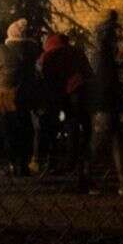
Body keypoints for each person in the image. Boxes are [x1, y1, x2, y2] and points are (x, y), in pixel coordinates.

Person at [85, 10, 123, 195]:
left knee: (113, 143)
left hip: (105, 105)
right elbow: (104, 83)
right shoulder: (104, 57)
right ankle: (91, 181)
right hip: (105, 106)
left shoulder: (101, 55)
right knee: (100, 144)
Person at [35, 29, 92, 184]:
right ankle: (78, 159)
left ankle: (53, 161)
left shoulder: (47, 56)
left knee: (55, 127)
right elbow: (88, 72)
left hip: (58, 95)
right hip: (78, 91)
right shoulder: (77, 52)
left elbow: (42, 76)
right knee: (78, 125)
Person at [0, 19, 39, 177]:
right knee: (25, 128)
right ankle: (24, 165)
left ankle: (12, 164)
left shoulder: (4, 50)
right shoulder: (34, 50)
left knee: (9, 130)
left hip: (7, 96)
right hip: (27, 94)